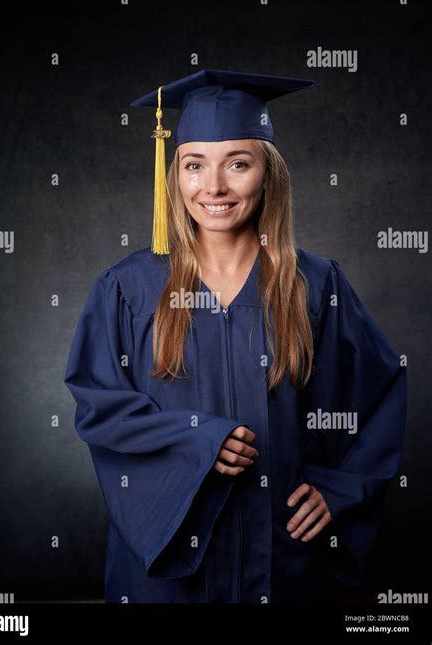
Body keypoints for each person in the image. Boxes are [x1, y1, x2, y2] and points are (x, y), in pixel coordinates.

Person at [64, 69, 407, 603]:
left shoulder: (316, 284)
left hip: (282, 560)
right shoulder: (127, 289)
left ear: (268, 174)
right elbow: (99, 410)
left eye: (238, 164)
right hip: (171, 575)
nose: (214, 187)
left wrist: (339, 491)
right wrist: (200, 438)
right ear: (173, 175)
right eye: (194, 165)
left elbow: (380, 395)